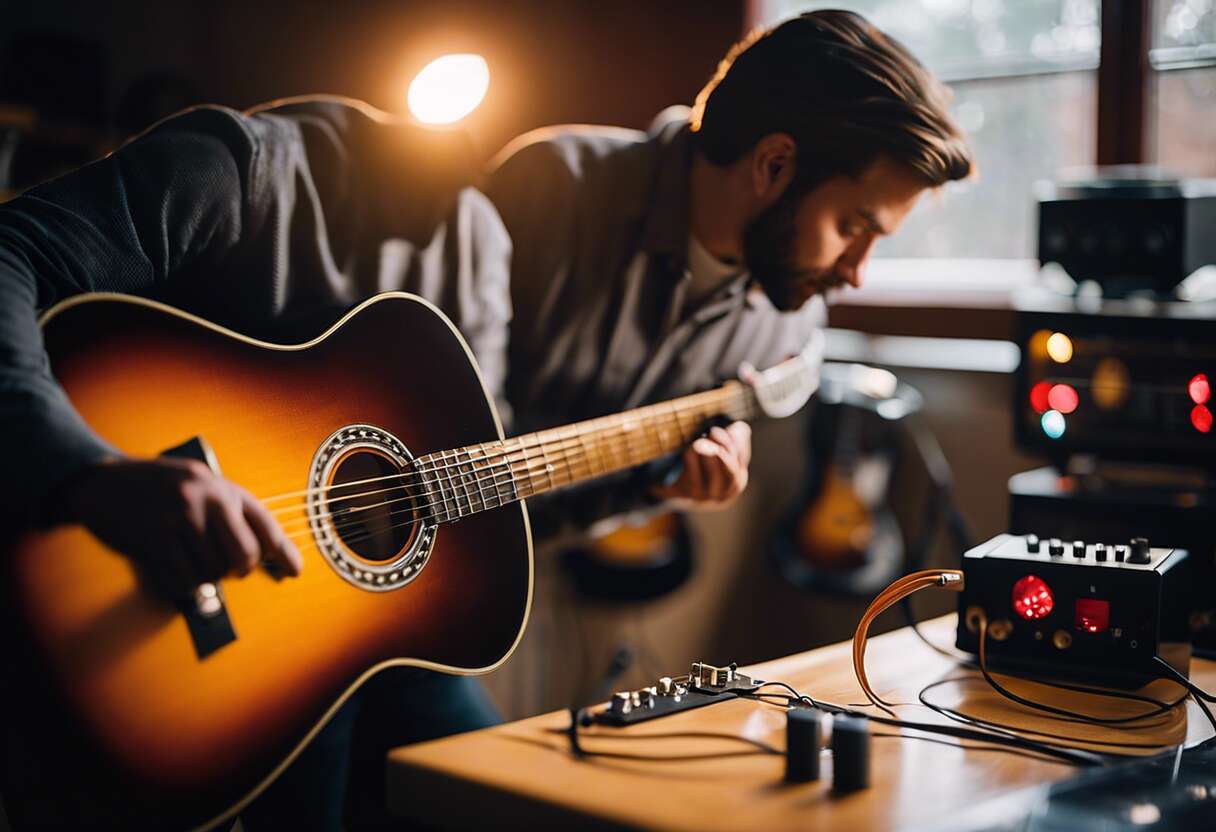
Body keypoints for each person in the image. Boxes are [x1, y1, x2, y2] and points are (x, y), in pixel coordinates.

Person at [0, 8, 973, 830]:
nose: (466, 203)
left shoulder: (472, 256)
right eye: (854, 231)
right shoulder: (243, 164)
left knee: (514, 795)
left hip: (354, 625)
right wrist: (84, 469)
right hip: (160, 607)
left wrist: (649, 482)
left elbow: (473, 487)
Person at [486, 9, 972, 539]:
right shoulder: (551, 190)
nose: (856, 273)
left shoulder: (789, 324)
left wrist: (659, 490)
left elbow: (549, 511)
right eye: (852, 227)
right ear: (774, 165)